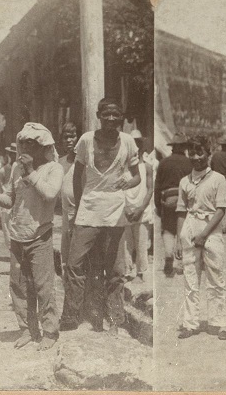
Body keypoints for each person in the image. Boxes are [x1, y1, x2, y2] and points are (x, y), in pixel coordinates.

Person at [61, 97, 141, 336]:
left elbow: (137, 176)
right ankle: (71, 316)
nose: (111, 119)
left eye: (116, 114)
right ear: (98, 115)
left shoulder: (127, 142)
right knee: (74, 264)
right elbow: (77, 177)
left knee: (115, 269)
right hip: (88, 209)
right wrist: (77, 211)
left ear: (121, 118)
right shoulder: (86, 140)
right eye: (106, 114)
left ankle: (115, 318)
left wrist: (127, 182)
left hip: (115, 212)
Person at [0, 123, 63, 351]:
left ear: (42, 146)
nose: (26, 146)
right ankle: (27, 329)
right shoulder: (16, 170)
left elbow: (49, 194)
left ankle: (49, 332)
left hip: (40, 235)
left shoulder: (53, 169)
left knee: (43, 286)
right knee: (19, 286)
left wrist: (30, 172)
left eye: (32, 143)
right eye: (23, 142)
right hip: (18, 235)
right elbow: (10, 200)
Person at [174, 135, 226, 340]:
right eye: (192, 152)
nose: (196, 157)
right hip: (190, 227)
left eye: (200, 152)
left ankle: (219, 323)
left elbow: (221, 210)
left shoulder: (217, 179)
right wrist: (179, 240)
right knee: (190, 277)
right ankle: (190, 323)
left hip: (210, 229)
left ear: (208, 154)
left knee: (215, 277)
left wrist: (204, 234)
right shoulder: (184, 182)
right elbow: (181, 212)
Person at [155, 133, 192, 277]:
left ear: (173, 147)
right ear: (184, 148)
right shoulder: (189, 163)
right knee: (184, 230)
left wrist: (158, 204)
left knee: (168, 230)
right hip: (185, 199)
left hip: (168, 199)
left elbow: (157, 186)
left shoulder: (164, 162)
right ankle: (182, 262)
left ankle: (169, 255)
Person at [119, 131, 154, 281]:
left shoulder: (147, 167)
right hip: (125, 209)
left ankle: (141, 272)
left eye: (138, 145)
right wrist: (125, 208)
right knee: (126, 244)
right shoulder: (122, 168)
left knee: (141, 243)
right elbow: (118, 189)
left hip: (142, 210)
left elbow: (150, 188)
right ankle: (127, 272)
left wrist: (141, 208)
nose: (136, 149)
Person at [56, 123, 80, 276]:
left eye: (72, 137)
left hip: (81, 211)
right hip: (66, 212)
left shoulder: (83, 161)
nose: (69, 140)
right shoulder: (60, 162)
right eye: (66, 137)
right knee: (66, 248)